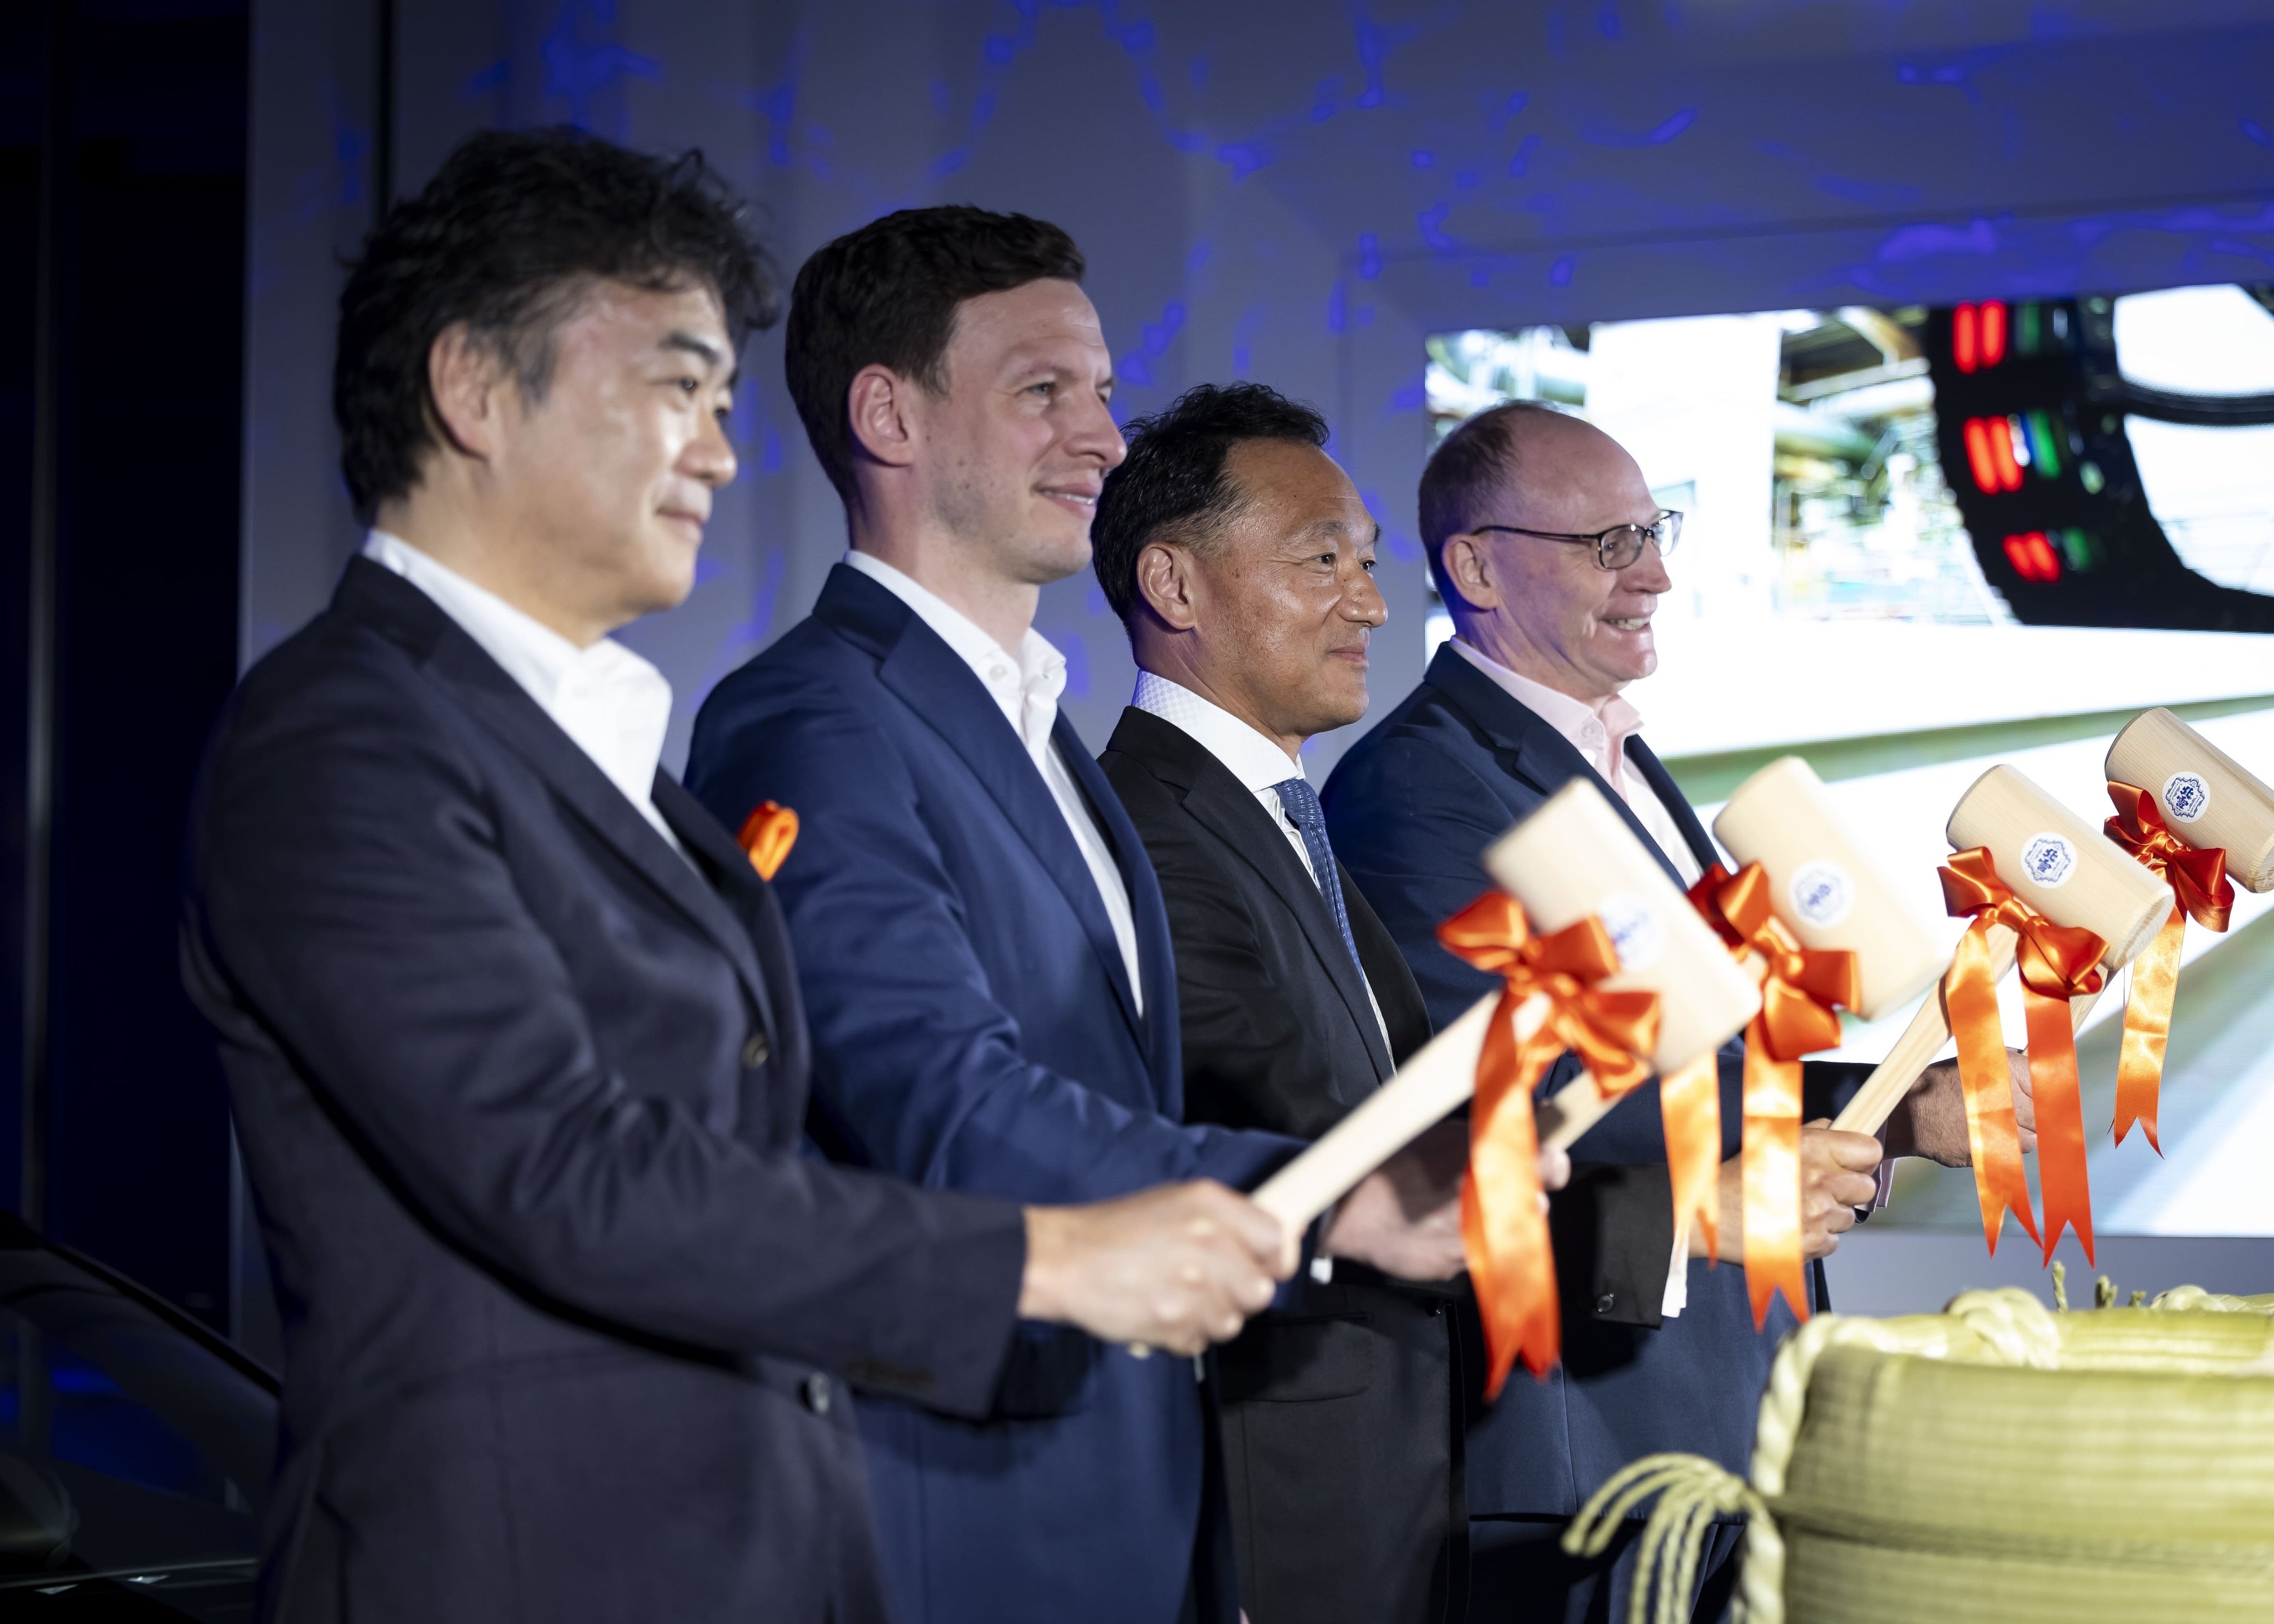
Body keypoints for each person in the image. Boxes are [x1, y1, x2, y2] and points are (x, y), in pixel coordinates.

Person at [180, 130, 1294, 1624]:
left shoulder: (592, 755)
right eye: (675, 390)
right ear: (472, 389)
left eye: (719, 403)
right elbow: (571, 1172)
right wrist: (1054, 1255)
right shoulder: (341, 736)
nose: (716, 451)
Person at [683, 208, 1479, 1624]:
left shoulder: (1051, 738)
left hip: (1135, 1476)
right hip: (965, 1497)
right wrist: (1328, 1198)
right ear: (888, 416)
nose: (1102, 440)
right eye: (1043, 390)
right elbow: (937, 1101)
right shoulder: (811, 716)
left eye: (1101, 392)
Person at [1323, 401, 2030, 1622]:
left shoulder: (1614, 754)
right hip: (1591, 1443)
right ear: (1476, 568)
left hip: (1715, 1411)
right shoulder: (1415, 786)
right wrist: (1771, 1164)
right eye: (1608, 544)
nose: (1653, 574)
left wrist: (1903, 1110)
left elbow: (1692, 1056)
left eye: (1656, 532)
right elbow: (1517, 1097)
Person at [1091, 383, 1476, 1623]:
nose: (1370, 604)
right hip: (1281, 1491)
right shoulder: (1144, 830)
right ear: (1175, 584)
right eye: (1322, 561)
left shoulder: (1281, 819)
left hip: (1392, 1467)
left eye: (1367, 563)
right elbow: (1295, 1127)